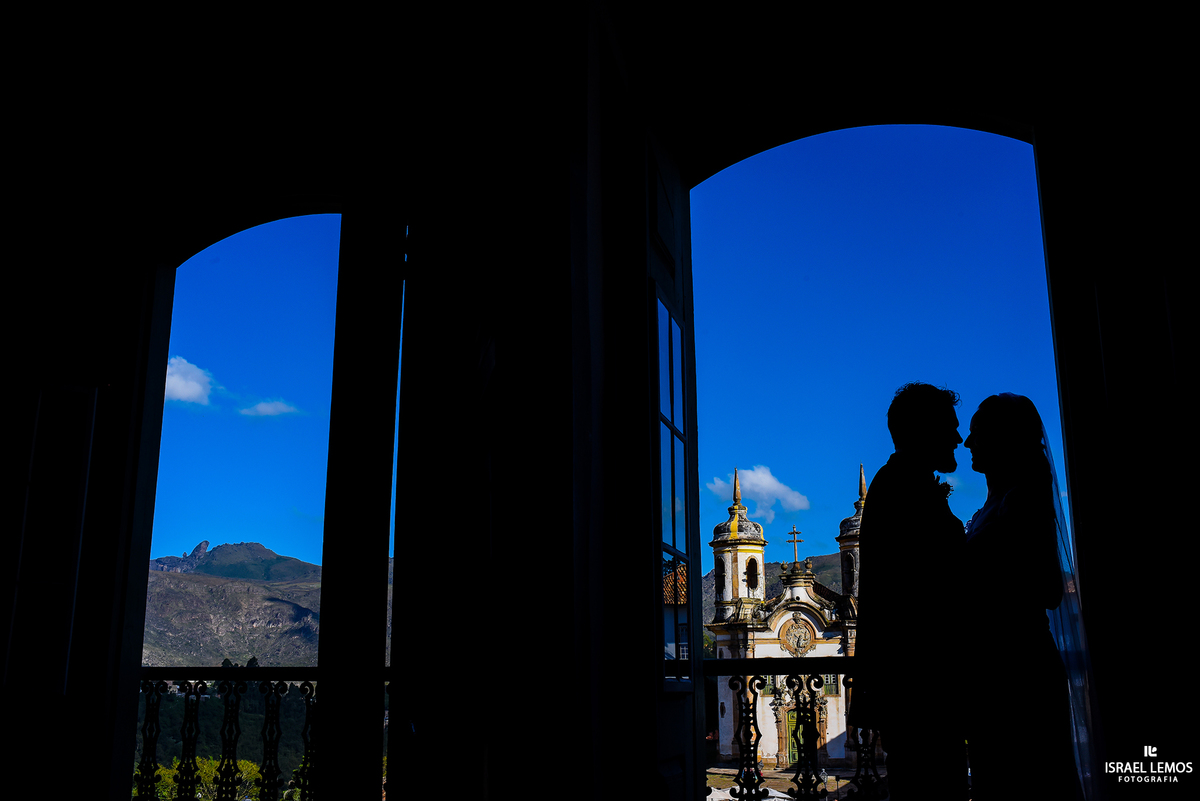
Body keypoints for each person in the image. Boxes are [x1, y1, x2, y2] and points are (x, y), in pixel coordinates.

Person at [960, 393, 1083, 800]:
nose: (967, 443)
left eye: (977, 434)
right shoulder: (991, 507)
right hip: (993, 670)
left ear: (1003, 439)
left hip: (1017, 670)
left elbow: (1048, 588)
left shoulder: (1022, 502)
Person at [851, 382, 969, 800]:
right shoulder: (905, 490)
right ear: (924, 430)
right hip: (921, 687)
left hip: (915, 685)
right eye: (949, 427)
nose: (958, 437)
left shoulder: (903, 483)